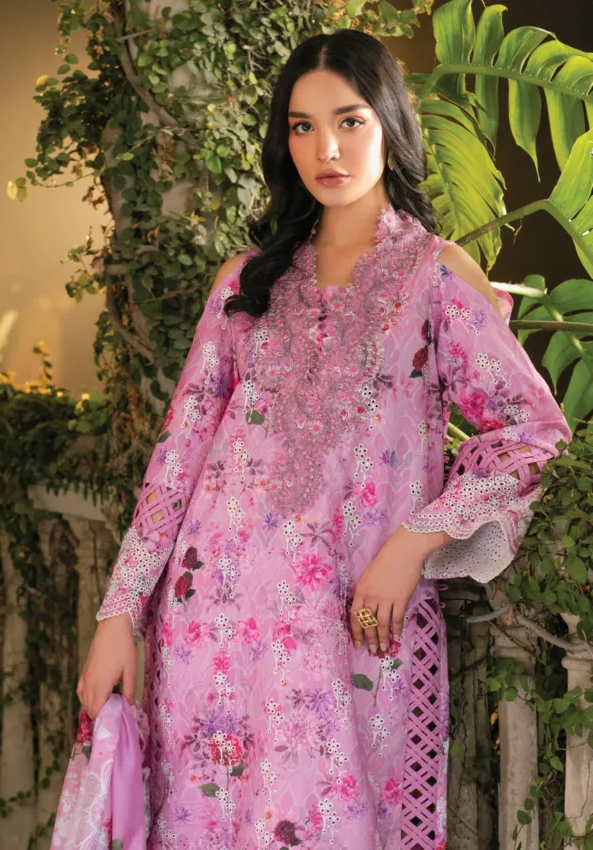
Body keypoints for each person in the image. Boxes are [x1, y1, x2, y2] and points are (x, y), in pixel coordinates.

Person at [76, 29, 571, 850]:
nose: (326, 149)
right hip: (208, 638)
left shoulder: (435, 276)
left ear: (390, 125)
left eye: (348, 121)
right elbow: (174, 468)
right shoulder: (247, 283)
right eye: (302, 127)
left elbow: (532, 433)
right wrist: (118, 613)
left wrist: (416, 540)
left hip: (342, 640)